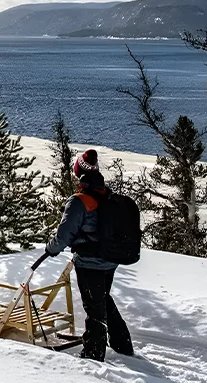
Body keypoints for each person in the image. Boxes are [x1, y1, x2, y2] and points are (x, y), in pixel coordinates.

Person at [44, 149, 133, 362]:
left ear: (79, 173)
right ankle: (122, 343)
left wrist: (51, 249)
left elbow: (64, 235)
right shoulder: (106, 195)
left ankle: (93, 355)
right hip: (110, 260)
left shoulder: (79, 201)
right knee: (102, 299)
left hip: (90, 262)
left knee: (94, 308)